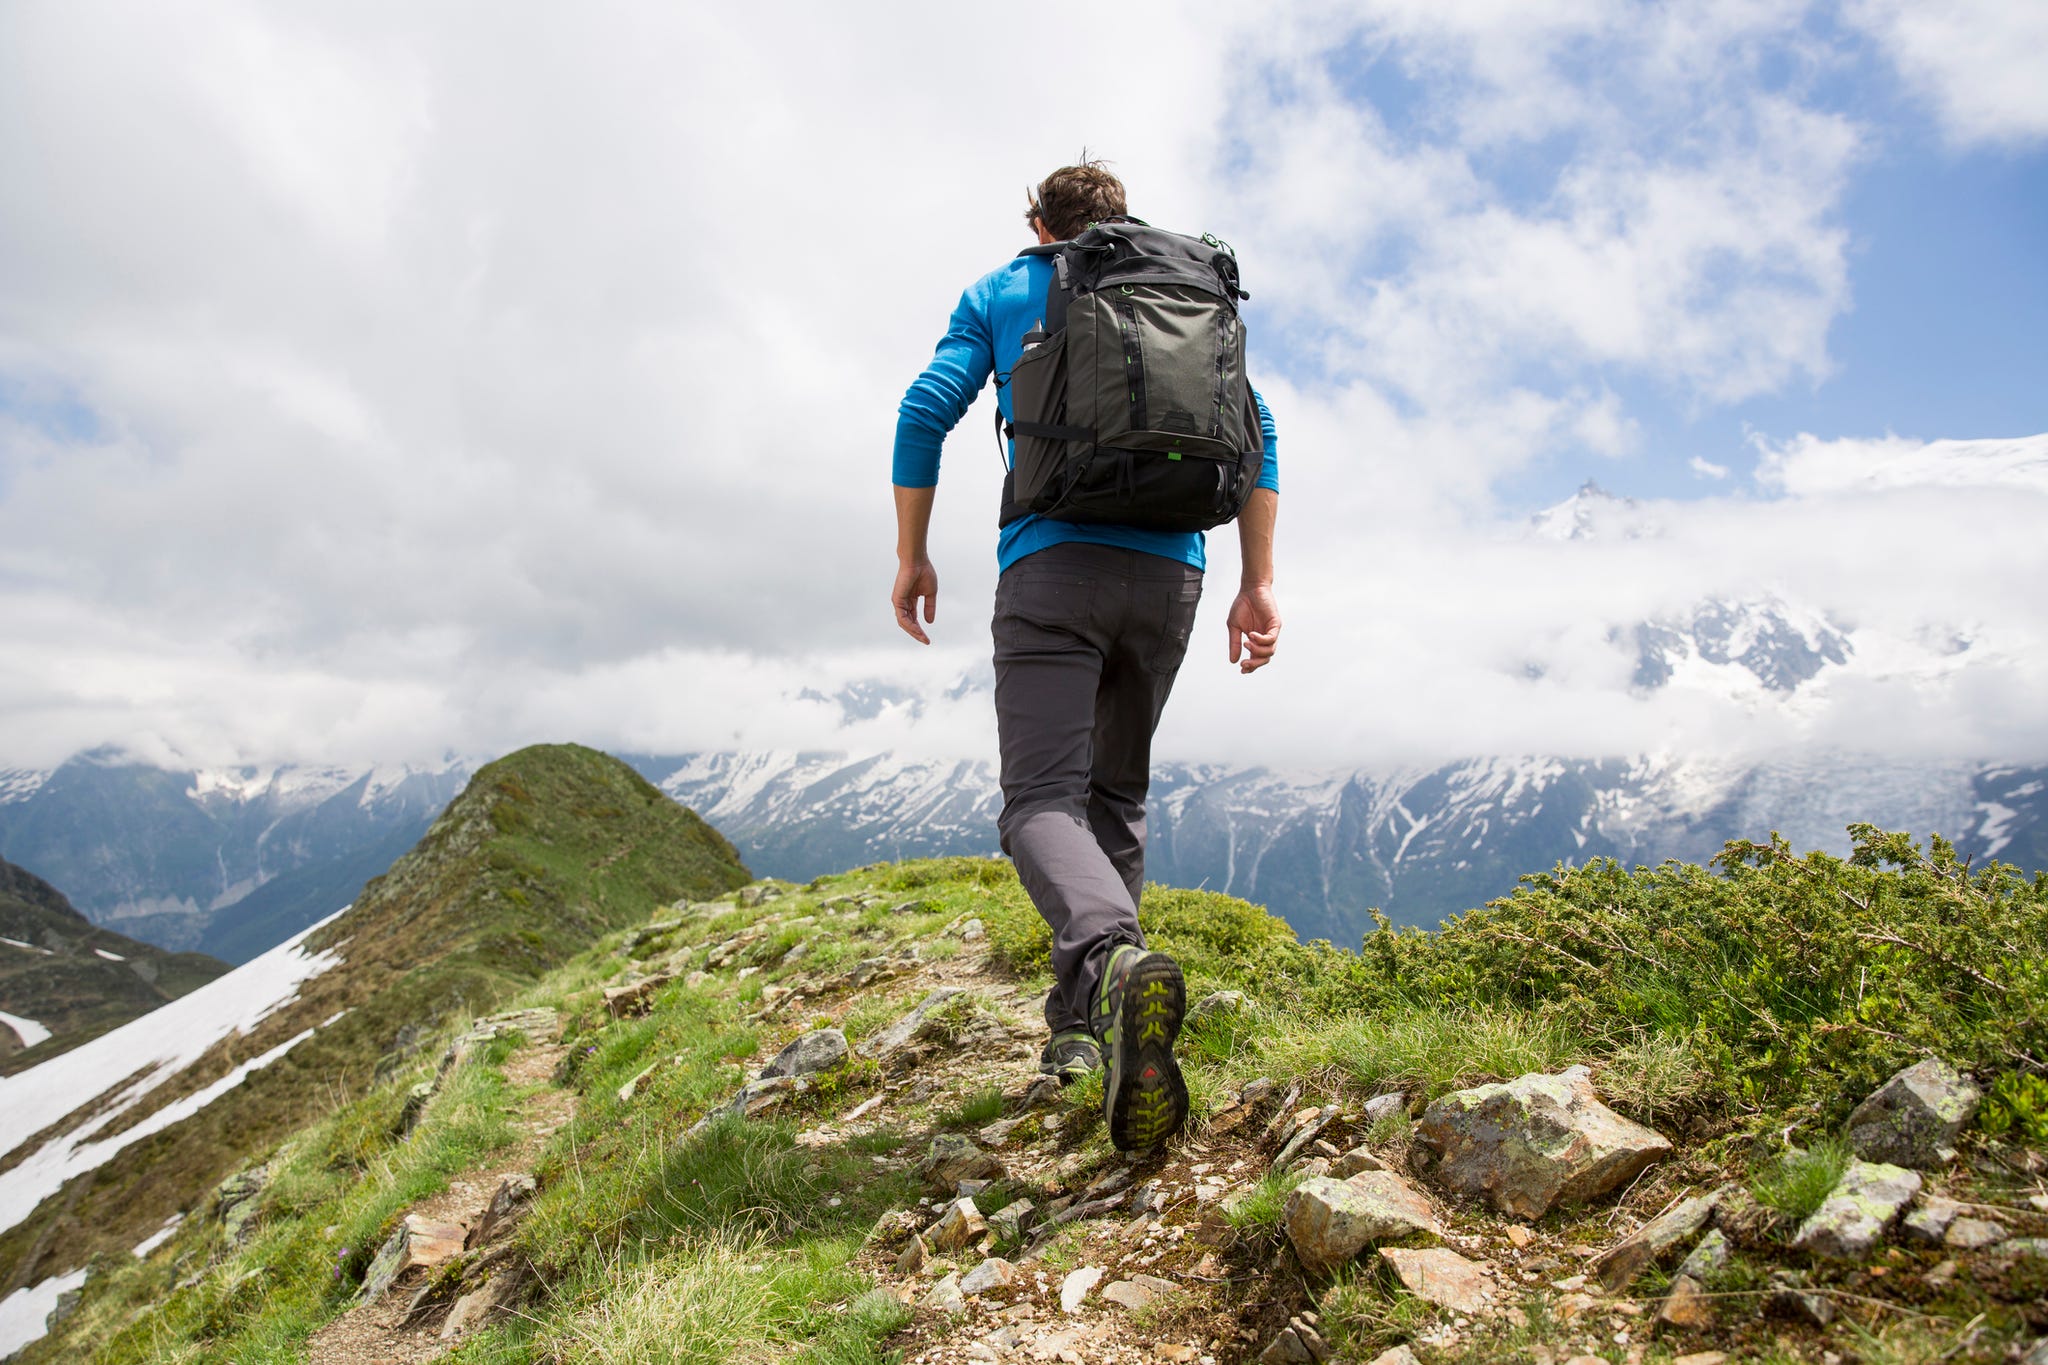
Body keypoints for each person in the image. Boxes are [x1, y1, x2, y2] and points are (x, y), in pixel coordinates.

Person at [889, 159, 1280, 1151]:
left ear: (1035, 222)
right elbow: (1259, 436)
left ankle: (1110, 965)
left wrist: (911, 553)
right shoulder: (1182, 291)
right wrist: (1255, 582)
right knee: (1115, 799)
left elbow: (922, 409)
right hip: (1172, 581)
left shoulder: (1005, 289)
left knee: (1039, 804)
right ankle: (1081, 1040)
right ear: (1120, 218)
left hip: (1053, 567)